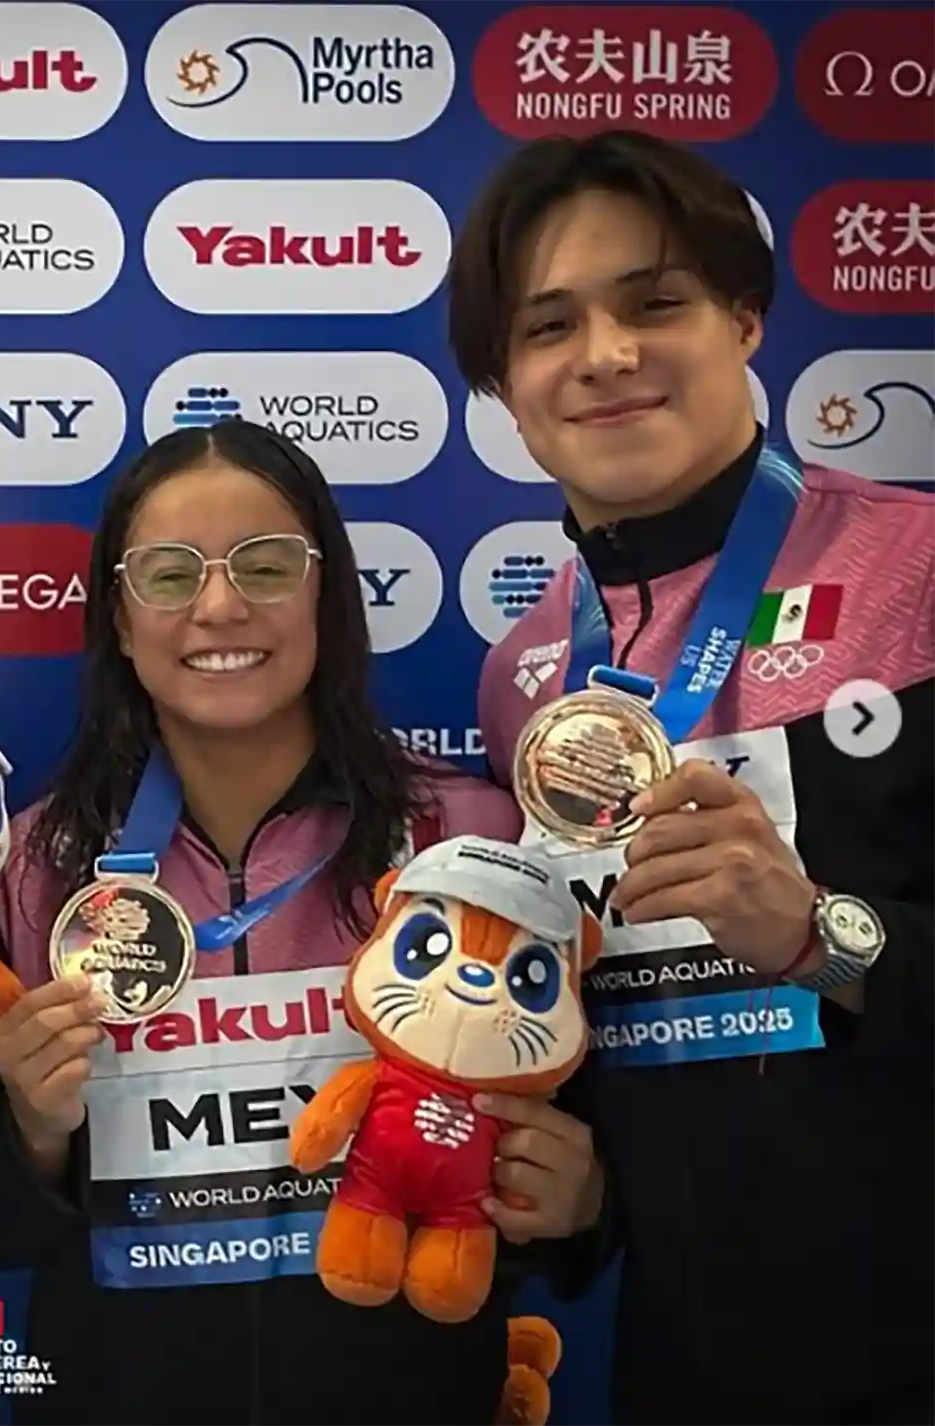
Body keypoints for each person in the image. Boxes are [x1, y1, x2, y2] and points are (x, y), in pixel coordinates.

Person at [0, 420, 582, 1424]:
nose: (220, 604)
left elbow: (566, 1193)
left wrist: (574, 1200)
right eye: (167, 574)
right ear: (115, 612)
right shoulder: (26, 866)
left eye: (268, 564)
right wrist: (32, 1125)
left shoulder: (473, 838)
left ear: (327, 593)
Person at [453, 129, 935, 1426]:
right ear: (503, 380)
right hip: (686, 1364)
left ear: (744, 316)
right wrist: (584, 1190)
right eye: (549, 326)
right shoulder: (529, 673)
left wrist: (821, 937)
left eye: (655, 301)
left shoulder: (918, 570)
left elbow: (843, 956)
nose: (605, 354)